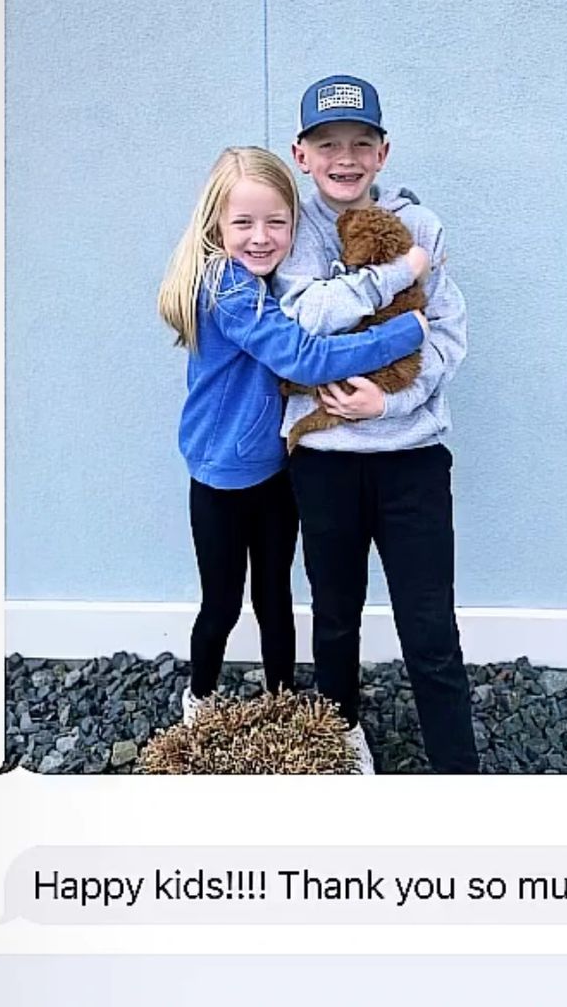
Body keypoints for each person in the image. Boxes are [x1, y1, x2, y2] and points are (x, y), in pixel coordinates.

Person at [157, 146, 430, 730]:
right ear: (215, 224)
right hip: (222, 478)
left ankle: (280, 701)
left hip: (274, 468)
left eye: (276, 222)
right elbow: (305, 358)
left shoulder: (268, 282)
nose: (261, 237)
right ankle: (200, 701)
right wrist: (406, 330)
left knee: (275, 597)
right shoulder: (227, 289)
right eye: (243, 223)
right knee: (222, 603)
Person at [274, 75, 480, 774]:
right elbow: (307, 319)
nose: (345, 158)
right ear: (301, 154)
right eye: (328, 144)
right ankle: (341, 747)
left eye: (361, 143)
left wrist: (386, 404)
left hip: (412, 458)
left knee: (429, 625)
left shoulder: (421, 227)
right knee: (335, 617)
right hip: (324, 460)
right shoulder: (290, 230)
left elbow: (446, 334)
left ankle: (457, 770)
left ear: (383, 153)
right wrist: (397, 275)